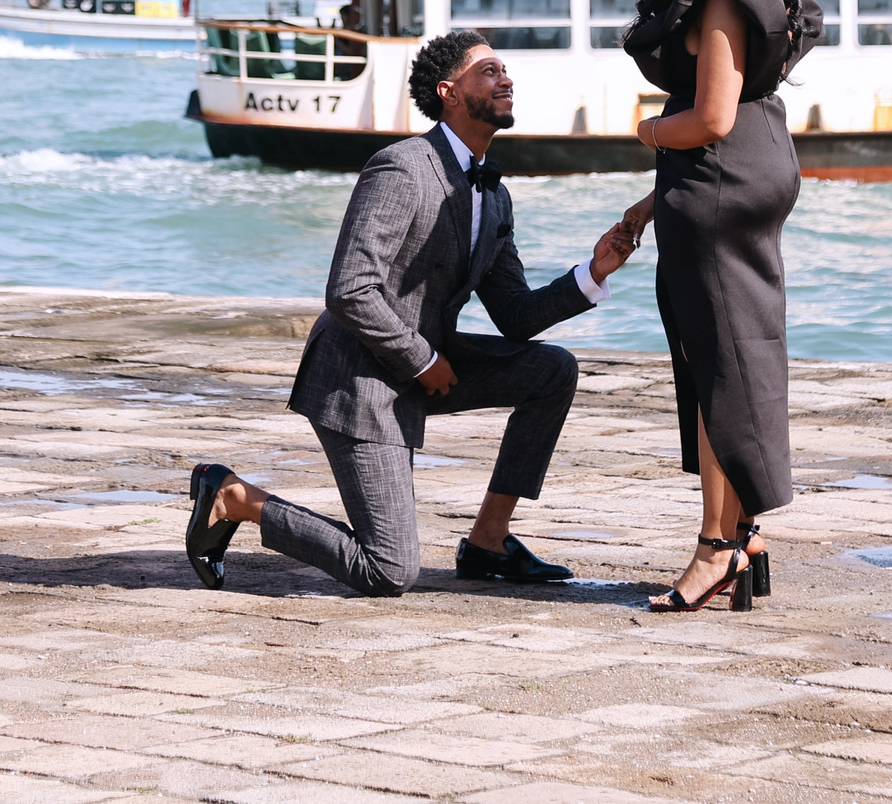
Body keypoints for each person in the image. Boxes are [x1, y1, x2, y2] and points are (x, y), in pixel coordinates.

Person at [183, 30, 638, 597]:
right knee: (390, 570)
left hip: (426, 366)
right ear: (450, 92)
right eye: (489, 70)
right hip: (361, 378)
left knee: (552, 370)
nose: (506, 78)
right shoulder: (402, 168)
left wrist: (593, 273)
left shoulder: (493, 195)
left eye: (505, 70)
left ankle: (489, 541)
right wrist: (421, 360)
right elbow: (350, 288)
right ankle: (233, 496)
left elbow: (515, 316)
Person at [604, 0, 822, 614]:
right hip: (742, 177)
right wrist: (650, 202)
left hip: (724, 184)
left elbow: (712, 119)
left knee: (717, 373)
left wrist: (647, 132)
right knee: (735, 360)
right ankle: (742, 534)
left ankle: (714, 548)